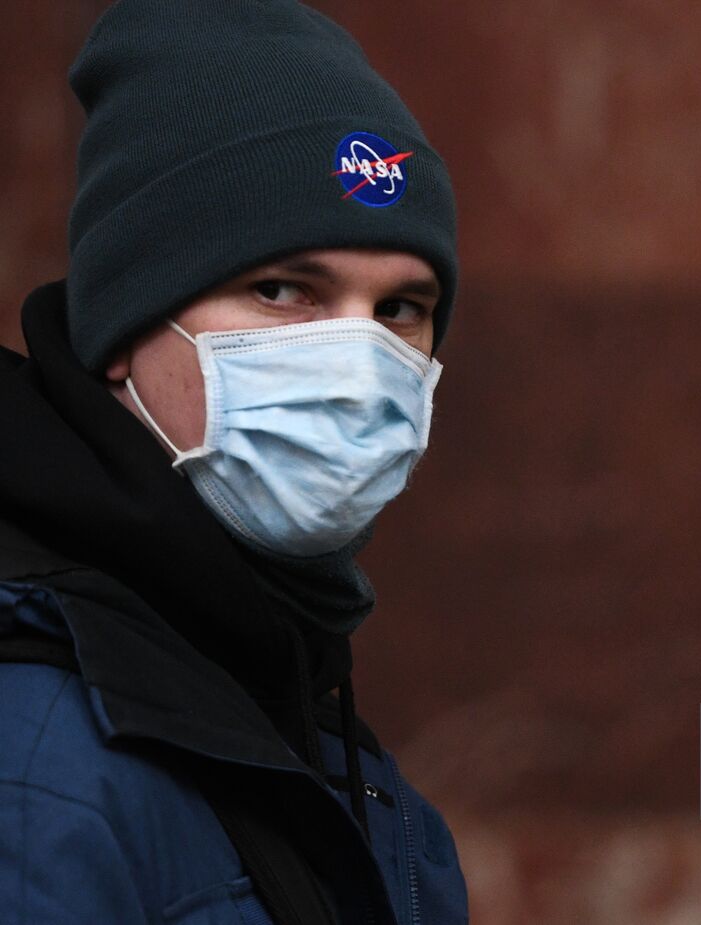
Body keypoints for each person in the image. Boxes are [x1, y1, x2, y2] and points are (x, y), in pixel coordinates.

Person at [0, 1, 467, 922]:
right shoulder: (34, 753)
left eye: (401, 309)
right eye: (283, 288)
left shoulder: (320, 739)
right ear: (125, 330)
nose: (355, 364)